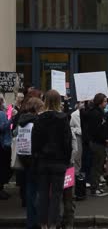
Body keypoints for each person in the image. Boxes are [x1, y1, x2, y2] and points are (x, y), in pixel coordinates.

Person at [31, 90, 73, 229]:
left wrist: (36, 158)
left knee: (43, 195)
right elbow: (67, 142)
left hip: (43, 161)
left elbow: (35, 142)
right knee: (56, 195)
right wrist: (66, 160)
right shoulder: (63, 118)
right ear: (58, 101)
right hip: (59, 161)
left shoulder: (38, 119)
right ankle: (53, 224)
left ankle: (43, 224)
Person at [14, 97, 42, 228]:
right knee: (37, 192)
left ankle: (31, 222)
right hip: (35, 160)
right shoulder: (36, 122)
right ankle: (36, 221)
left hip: (24, 158)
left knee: (29, 191)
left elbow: (15, 135)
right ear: (36, 108)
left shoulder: (21, 121)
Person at [85, 93, 108, 197]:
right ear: (100, 102)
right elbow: (96, 130)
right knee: (96, 166)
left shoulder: (99, 112)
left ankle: (96, 187)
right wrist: (105, 140)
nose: (106, 103)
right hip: (96, 143)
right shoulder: (95, 113)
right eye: (104, 101)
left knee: (98, 166)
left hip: (99, 142)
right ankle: (94, 189)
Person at [0, 94, 13, 200]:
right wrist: (11, 120)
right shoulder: (1, 114)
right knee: (4, 167)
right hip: (3, 145)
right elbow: (2, 127)